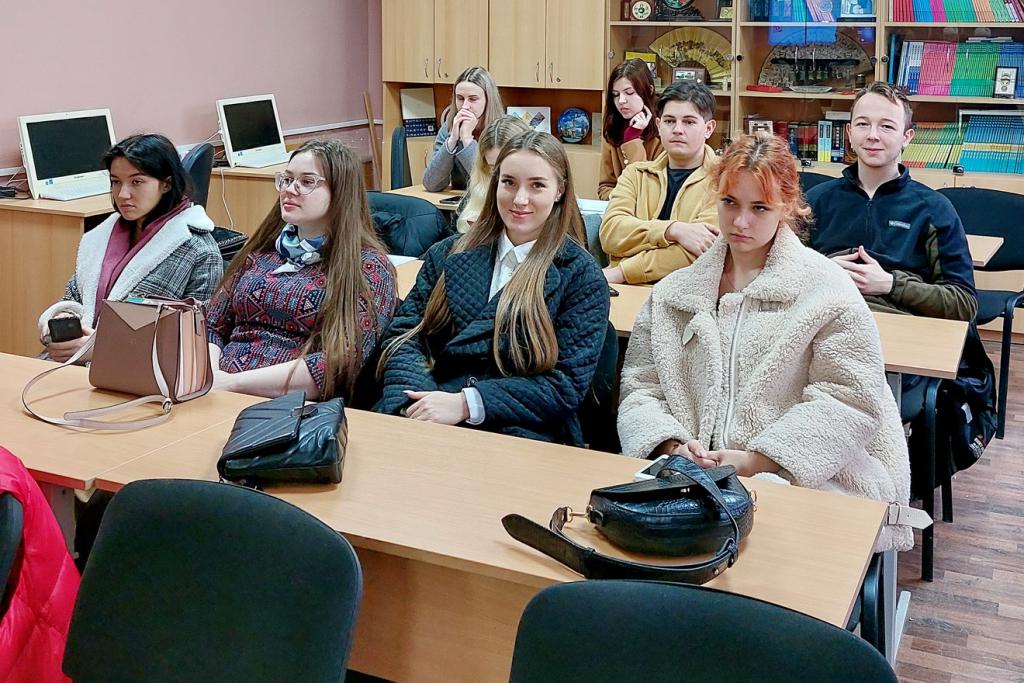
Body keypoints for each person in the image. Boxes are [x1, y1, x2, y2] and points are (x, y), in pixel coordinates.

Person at [616, 133, 912, 551]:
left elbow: (849, 400)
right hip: (689, 486)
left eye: (759, 208)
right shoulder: (673, 294)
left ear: (787, 207)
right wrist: (673, 446)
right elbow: (641, 387)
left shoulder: (827, 292)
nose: (740, 222)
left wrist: (758, 461)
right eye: (729, 203)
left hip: (804, 483)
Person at [374, 131, 609, 445]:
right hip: (425, 412)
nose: (520, 199)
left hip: (521, 432)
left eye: (537, 185)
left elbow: (564, 385)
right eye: (508, 182)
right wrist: (420, 401)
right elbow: (404, 337)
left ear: (559, 191)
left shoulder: (580, 276)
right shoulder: (446, 253)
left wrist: (466, 404)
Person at [806, 81, 977, 396]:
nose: (873, 135)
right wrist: (825, 271)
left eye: (886, 126)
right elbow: (778, 273)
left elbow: (963, 303)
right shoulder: (815, 201)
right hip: (821, 330)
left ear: (907, 137)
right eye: (863, 124)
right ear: (849, 133)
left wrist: (890, 284)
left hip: (897, 347)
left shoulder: (933, 209)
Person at [206, 139, 396, 400]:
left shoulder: (368, 267)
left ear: (340, 192)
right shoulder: (262, 251)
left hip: (290, 405)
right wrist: (210, 376)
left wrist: (232, 383)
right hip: (217, 390)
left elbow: (339, 361)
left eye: (306, 182)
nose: (289, 189)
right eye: (287, 179)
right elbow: (211, 325)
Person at [38, 133, 222, 363]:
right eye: (116, 181)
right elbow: (74, 296)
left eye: (136, 182)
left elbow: (193, 342)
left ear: (166, 184)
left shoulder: (200, 251)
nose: (123, 194)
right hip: (71, 362)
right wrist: (63, 317)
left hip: (134, 374)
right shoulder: (101, 237)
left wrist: (102, 349)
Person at [599, 82, 720, 285]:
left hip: (684, 292)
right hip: (623, 291)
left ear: (708, 129)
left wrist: (622, 272)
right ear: (658, 125)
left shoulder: (724, 180)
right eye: (670, 121)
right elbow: (611, 234)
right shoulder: (635, 174)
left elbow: (701, 250)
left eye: (689, 122)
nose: (678, 130)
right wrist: (673, 230)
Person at [422, 66, 504, 192]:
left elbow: (490, 186)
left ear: (488, 100)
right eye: (460, 98)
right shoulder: (449, 128)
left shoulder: (504, 130)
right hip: (458, 201)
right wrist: (452, 141)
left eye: (473, 99)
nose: (465, 106)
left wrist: (467, 139)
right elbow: (431, 184)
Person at [597, 58, 662, 201]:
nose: (621, 101)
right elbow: (604, 187)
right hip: (619, 207)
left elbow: (645, 189)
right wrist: (618, 196)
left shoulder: (665, 130)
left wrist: (632, 138)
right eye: (616, 95)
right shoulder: (613, 129)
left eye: (629, 93)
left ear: (649, 90)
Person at [454, 115, 531, 233]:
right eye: (493, 168)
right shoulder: (477, 192)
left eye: (509, 168)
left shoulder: (540, 197)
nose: (501, 176)